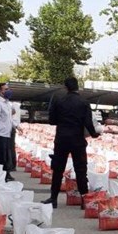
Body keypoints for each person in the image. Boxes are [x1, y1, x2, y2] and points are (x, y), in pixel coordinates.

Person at [43, 77, 99, 208]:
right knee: (81, 169)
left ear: (65, 87)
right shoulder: (84, 102)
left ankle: (53, 198)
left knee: (58, 169)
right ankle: (84, 199)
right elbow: (88, 122)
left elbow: (52, 121)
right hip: (78, 140)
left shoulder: (59, 101)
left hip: (61, 139)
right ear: (77, 87)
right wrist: (94, 134)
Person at [0, 82, 20, 181]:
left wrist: (16, 126)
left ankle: (6, 173)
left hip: (7, 133)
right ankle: (1, 175)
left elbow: (9, 118)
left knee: (6, 154)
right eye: (5, 89)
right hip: (0, 133)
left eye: (8, 89)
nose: (8, 91)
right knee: (1, 156)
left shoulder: (7, 103)